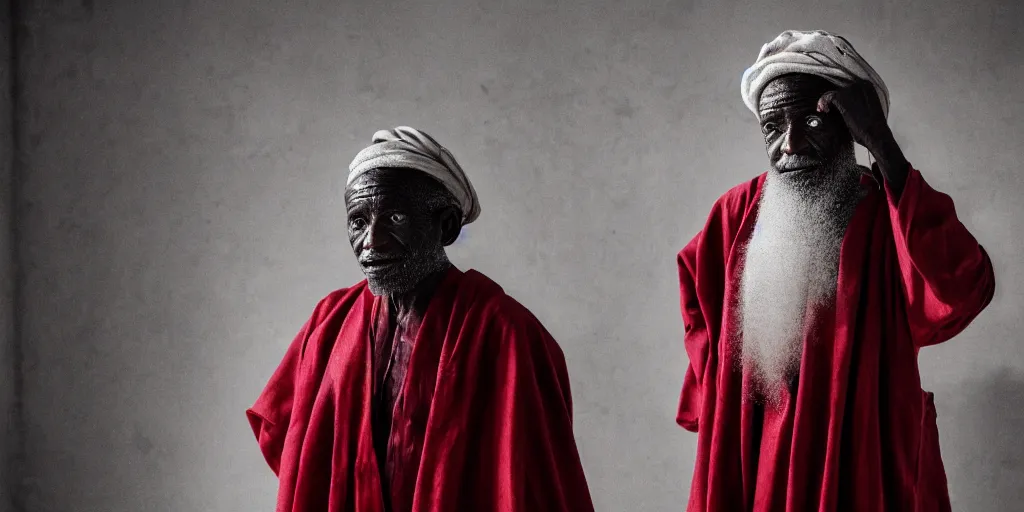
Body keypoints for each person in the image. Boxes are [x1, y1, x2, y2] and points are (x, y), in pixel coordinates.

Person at [675, 30, 995, 511]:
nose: (790, 144)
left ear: (853, 127)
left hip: (856, 456)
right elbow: (698, 308)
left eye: (809, 120)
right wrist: (723, 394)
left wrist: (885, 148)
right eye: (772, 127)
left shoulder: (891, 211)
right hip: (754, 461)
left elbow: (962, 288)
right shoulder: (733, 216)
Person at [247, 126, 595, 512]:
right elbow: (296, 450)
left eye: (394, 217)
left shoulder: (506, 334)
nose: (371, 242)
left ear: (446, 226)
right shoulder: (329, 323)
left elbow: (539, 482)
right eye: (358, 222)